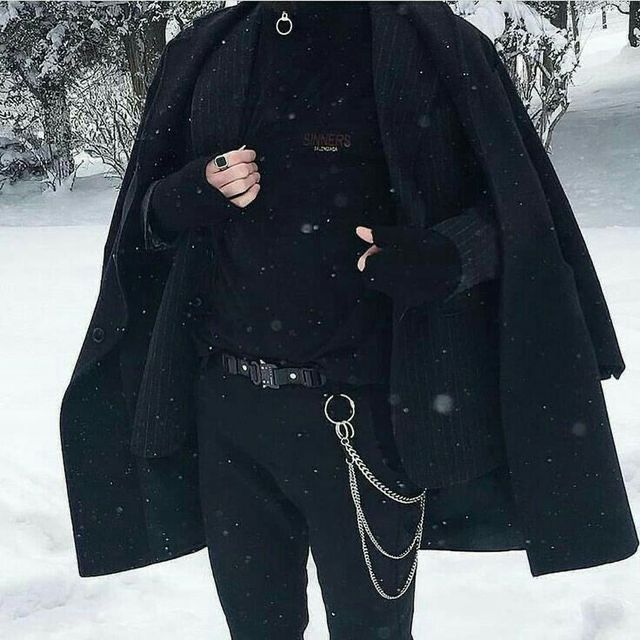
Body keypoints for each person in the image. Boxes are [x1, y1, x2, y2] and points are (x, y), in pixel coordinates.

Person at [59, 3, 638, 639]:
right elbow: (141, 225)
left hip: (362, 421)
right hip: (227, 416)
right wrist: (177, 199)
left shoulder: (433, 46)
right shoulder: (207, 50)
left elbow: (521, 217)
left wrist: (447, 257)